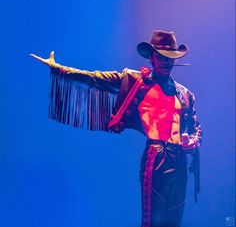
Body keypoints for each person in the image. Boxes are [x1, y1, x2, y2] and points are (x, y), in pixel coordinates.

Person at [31, 30, 202, 227]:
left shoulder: (185, 94)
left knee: (174, 217)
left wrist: (193, 143)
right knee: (153, 218)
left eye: (170, 57)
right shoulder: (136, 82)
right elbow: (96, 78)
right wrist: (61, 69)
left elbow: (196, 128)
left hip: (179, 158)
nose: (166, 61)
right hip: (157, 156)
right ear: (152, 57)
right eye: (162, 56)